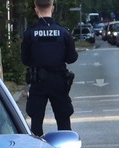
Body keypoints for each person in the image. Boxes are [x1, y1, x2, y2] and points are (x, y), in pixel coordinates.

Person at [21, 0, 78, 137]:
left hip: (37, 82)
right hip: (59, 81)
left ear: (36, 9)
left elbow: (25, 60)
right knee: (63, 119)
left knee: (36, 121)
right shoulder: (63, 32)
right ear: (53, 8)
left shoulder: (30, 33)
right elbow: (72, 58)